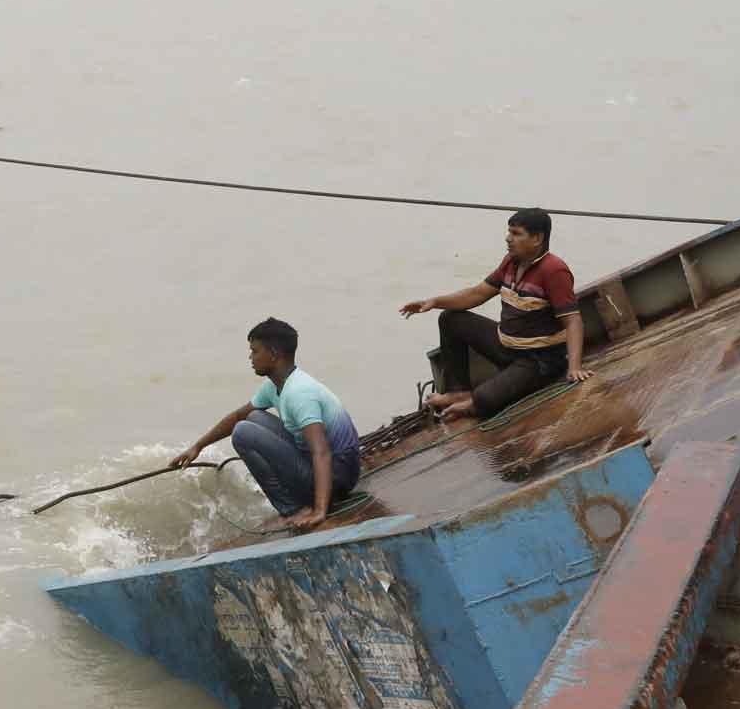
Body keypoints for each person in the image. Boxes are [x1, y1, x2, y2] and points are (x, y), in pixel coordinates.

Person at [400, 208, 590, 421]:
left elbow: (573, 321)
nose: (508, 239)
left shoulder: (554, 270)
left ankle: (473, 402)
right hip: (506, 345)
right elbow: (477, 293)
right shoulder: (511, 261)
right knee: (450, 318)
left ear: (537, 238)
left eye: (516, 234)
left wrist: (574, 368)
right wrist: (434, 302)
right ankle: (457, 391)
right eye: (509, 232)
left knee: (484, 398)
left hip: (538, 360)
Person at [172, 317, 362, 530]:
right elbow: (237, 416)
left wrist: (320, 510)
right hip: (330, 466)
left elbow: (322, 452)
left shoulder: (299, 393)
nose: (250, 357)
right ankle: (297, 505)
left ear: (273, 354)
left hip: (339, 477)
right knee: (252, 418)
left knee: (243, 432)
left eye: (255, 351)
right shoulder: (276, 385)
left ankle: (293, 508)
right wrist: (198, 446)